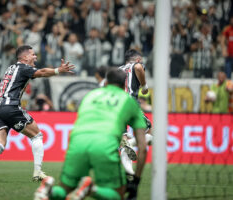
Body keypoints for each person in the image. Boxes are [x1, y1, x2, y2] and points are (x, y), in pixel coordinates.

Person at [34, 68, 147, 200]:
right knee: (118, 194)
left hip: (77, 142)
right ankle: (91, 189)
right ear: (124, 85)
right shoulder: (129, 101)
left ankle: (49, 191)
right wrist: (136, 180)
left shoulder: (90, 95)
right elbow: (143, 147)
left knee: (65, 190)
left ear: (106, 83)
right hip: (104, 144)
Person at [0, 45, 75, 181]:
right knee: (37, 136)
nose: (35, 57)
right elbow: (41, 73)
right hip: (10, 107)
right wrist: (59, 70)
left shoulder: (10, 68)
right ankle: (37, 172)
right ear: (24, 57)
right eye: (33, 54)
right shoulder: (23, 68)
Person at [118, 49, 153, 180]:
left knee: (124, 137)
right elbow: (138, 67)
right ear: (137, 59)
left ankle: (128, 171)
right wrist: (144, 87)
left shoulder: (117, 70)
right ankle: (132, 144)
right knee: (148, 129)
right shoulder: (136, 65)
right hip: (130, 103)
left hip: (116, 105)